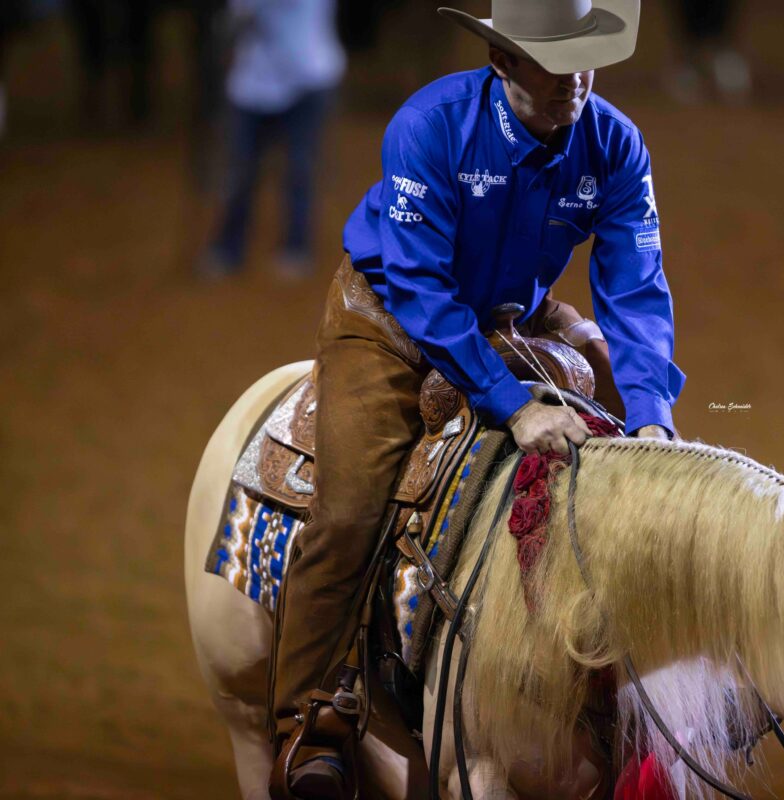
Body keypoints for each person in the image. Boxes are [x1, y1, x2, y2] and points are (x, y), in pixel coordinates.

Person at [267, 1, 685, 798]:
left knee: (613, 459)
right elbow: (421, 287)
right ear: (505, 65)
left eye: (588, 62)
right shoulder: (429, 128)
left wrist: (654, 411)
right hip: (387, 321)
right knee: (350, 509)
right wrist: (513, 404)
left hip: (511, 313)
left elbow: (635, 285)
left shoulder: (615, 141)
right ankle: (309, 718)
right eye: (558, 68)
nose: (579, 84)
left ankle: (609, 687)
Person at [200, 0, 345, 279]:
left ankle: (297, 246)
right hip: (251, 84)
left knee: (299, 168)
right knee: (240, 171)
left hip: (307, 79)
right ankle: (228, 248)